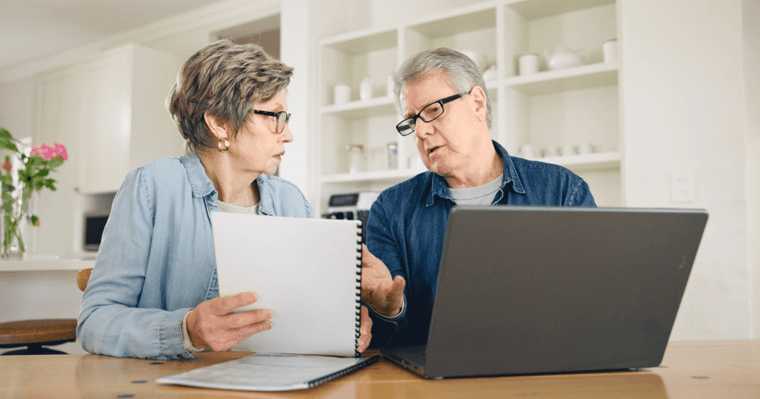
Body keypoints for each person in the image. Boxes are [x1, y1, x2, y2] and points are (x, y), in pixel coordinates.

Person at [78, 40, 372, 359]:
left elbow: (312, 311)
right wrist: (186, 330)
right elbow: (95, 322)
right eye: (275, 116)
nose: (287, 134)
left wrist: (345, 323)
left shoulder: (291, 201)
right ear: (220, 123)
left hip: (276, 382)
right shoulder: (151, 187)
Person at [360, 48, 596, 348]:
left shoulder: (563, 190)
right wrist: (388, 309)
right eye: (412, 120)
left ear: (477, 103)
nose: (420, 131)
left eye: (432, 110)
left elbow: (593, 306)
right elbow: (387, 340)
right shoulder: (391, 209)